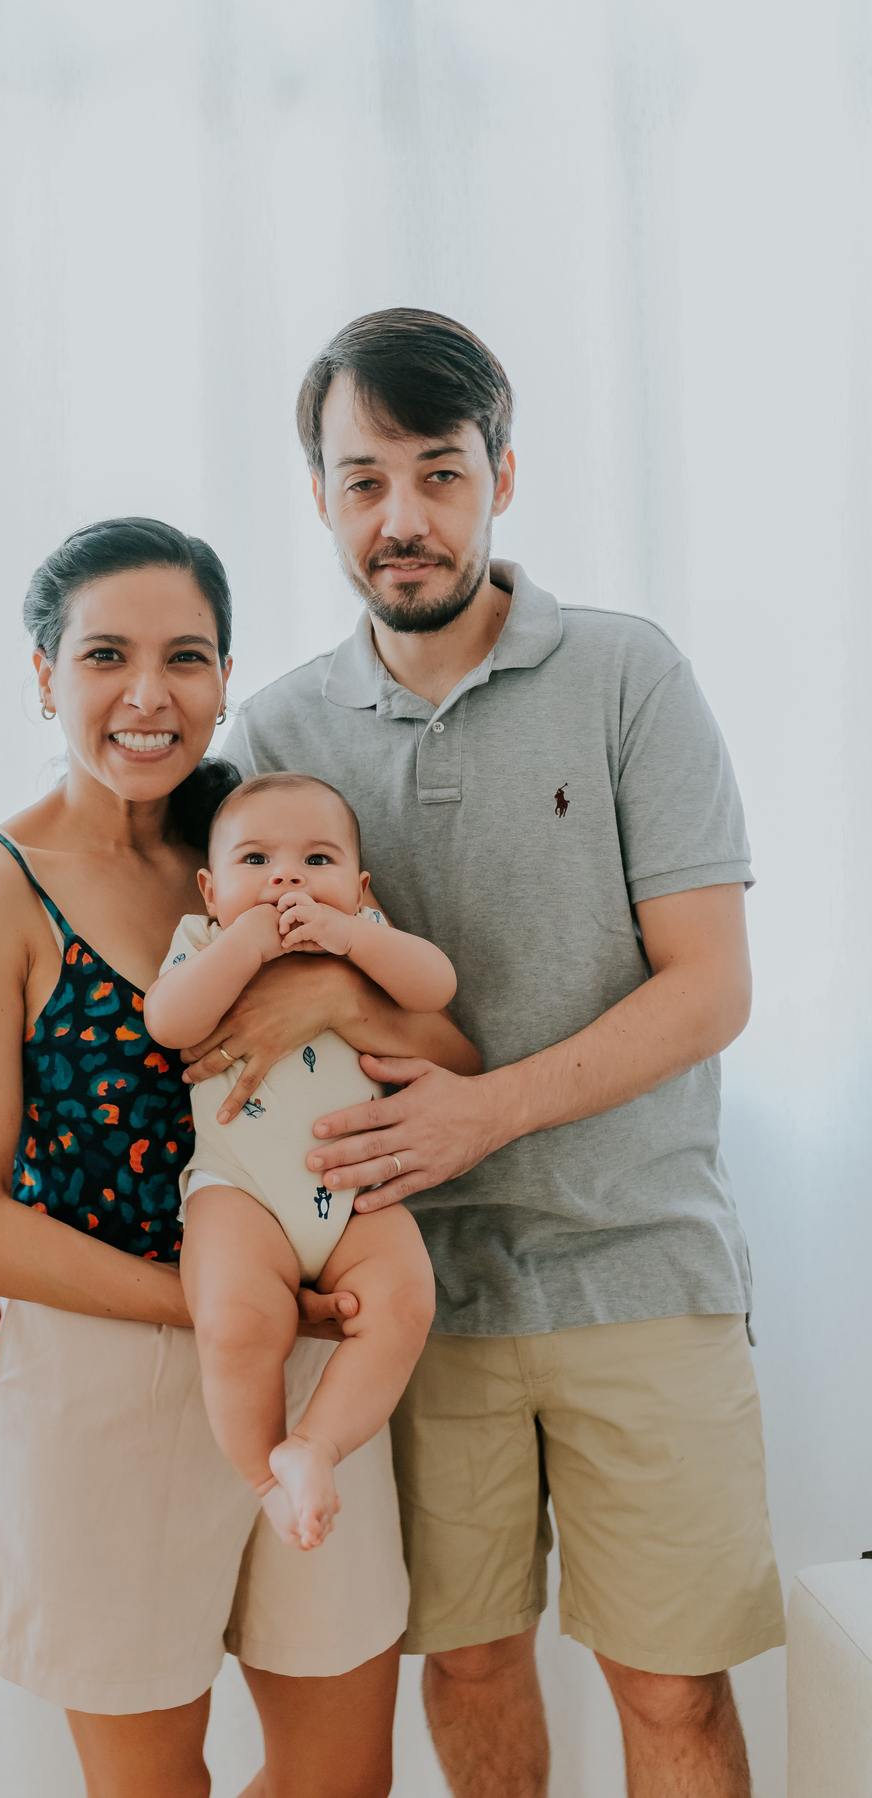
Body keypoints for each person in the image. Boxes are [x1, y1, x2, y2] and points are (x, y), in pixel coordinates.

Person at [190, 310, 785, 1798]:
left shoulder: (629, 676)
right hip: (401, 1300)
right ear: (319, 497)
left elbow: (709, 988)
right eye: (364, 478)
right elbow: (208, 1008)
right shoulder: (276, 733)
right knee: (464, 1664)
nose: (404, 517)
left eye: (440, 472)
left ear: (503, 477)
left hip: (636, 1262)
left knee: (672, 1691)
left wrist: (483, 1112)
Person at [0, 514, 479, 1798]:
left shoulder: (259, 845)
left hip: (319, 1372)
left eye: (190, 657)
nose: (149, 695)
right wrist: (232, 1313)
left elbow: (449, 1039)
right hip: (113, 1376)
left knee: (344, 1779)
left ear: (228, 679)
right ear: (43, 672)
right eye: (106, 654)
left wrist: (325, 997)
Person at [144, 771, 450, 1551]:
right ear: (211, 890)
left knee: (406, 1299)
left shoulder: (365, 938)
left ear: (358, 884)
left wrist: (354, 938)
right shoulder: (205, 943)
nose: (286, 878)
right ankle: (264, 1477)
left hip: (356, 1195)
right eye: (256, 860)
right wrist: (244, 943)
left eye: (317, 860)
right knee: (237, 1323)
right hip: (239, 1190)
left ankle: (314, 1444)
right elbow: (171, 1021)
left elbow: (435, 986)